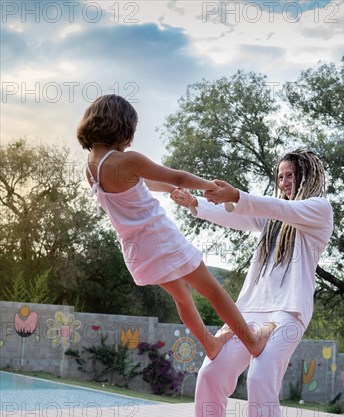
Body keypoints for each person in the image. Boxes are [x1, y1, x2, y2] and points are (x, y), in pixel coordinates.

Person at [170, 150, 333, 417]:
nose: (284, 183)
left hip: (288, 313)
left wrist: (238, 196)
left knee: (260, 378)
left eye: (290, 176)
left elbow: (273, 208)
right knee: (211, 374)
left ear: (307, 176)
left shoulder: (318, 209)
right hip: (251, 313)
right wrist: (194, 202)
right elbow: (235, 216)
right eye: (280, 176)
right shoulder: (270, 219)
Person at [76, 94, 274, 360]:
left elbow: (137, 185)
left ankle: (210, 345)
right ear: (120, 127)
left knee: (182, 295)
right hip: (160, 239)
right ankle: (252, 341)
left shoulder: (90, 170)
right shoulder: (128, 160)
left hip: (137, 251)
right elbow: (177, 175)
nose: (131, 140)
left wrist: (171, 190)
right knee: (212, 290)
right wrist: (211, 188)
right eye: (130, 132)